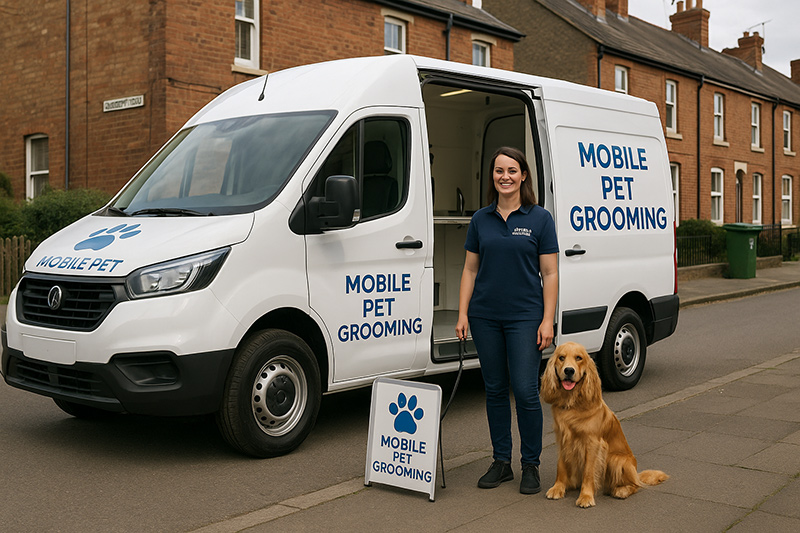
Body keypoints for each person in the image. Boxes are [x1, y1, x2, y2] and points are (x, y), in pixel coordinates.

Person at [455, 146, 559, 495]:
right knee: (496, 390)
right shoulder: (480, 219)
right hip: (485, 316)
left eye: (512, 171)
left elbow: (551, 272)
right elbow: (470, 269)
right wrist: (462, 314)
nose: (505, 177)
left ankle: (531, 465)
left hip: (525, 317)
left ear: (523, 175)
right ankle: (502, 462)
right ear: (493, 177)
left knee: (527, 392)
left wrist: (547, 319)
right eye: (499, 171)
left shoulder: (540, 218)